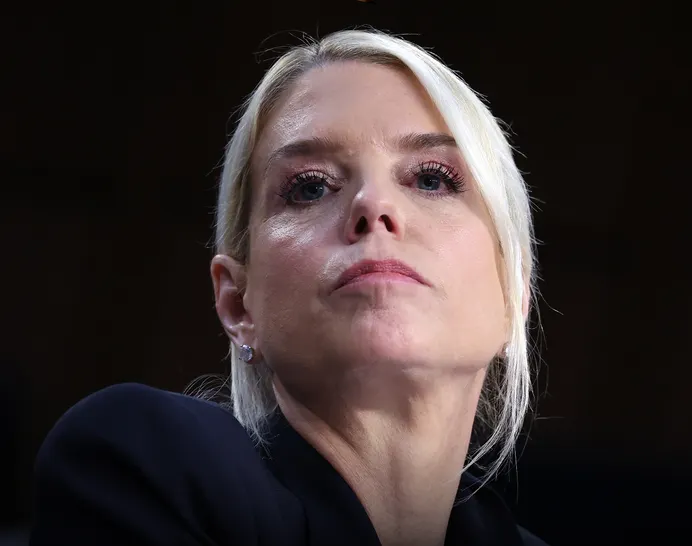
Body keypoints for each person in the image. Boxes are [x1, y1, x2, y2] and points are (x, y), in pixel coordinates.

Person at [29, 29, 546, 545]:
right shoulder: (142, 466)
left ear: (514, 292)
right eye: (311, 187)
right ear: (237, 304)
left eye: (431, 179)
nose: (373, 204)